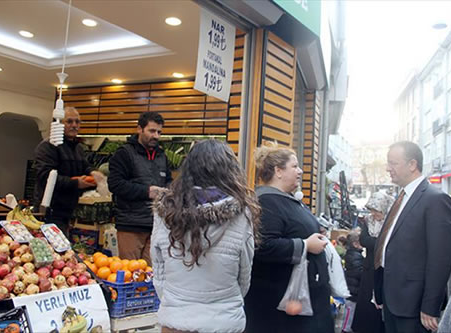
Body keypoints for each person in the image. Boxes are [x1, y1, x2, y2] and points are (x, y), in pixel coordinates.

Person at [150, 139, 261, 333]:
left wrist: (172, 301)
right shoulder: (242, 213)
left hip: (175, 320)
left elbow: (157, 267)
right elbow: (244, 274)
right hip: (224, 321)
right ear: (230, 170)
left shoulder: (165, 211)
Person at [244, 144, 333, 333]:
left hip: (296, 302)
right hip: (279, 304)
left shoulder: (284, 199)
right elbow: (263, 246)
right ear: (278, 171)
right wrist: (305, 245)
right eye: (294, 166)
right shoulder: (267, 201)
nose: (300, 171)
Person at [374, 141, 451, 333]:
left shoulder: (435, 200)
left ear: (412, 164)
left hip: (414, 306)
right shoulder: (402, 197)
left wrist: (430, 306)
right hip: (392, 299)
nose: (388, 168)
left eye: (393, 163)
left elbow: (440, 258)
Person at [108, 111, 171, 264]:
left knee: (151, 275)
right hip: (130, 226)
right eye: (152, 131)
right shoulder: (124, 154)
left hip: (156, 225)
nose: (156, 136)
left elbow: (168, 182)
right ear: (139, 129)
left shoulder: (162, 156)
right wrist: (147, 191)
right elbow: (115, 184)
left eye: (159, 132)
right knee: (131, 274)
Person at [33, 106, 98, 234]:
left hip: (68, 211)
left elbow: (85, 167)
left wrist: (93, 173)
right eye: (69, 121)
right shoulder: (48, 146)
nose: (74, 125)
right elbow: (45, 176)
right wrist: (75, 183)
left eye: (77, 122)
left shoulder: (78, 148)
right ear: (59, 123)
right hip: (49, 211)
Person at [352, 191, 393, 333]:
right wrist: (380, 243)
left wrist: (376, 243)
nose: (374, 214)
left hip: (384, 268)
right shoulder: (368, 221)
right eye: (373, 211)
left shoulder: (391, 222)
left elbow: (391, 244)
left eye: (377, 211)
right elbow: (364, 240)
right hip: (369, 267)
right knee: (366, 303)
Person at [342, 231, 364, 333]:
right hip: (352, 291)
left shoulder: (353, 254)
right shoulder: (355, 256)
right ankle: (345, 329)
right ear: (355, 244)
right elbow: (358, 272)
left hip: (353, 289)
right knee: (349, 314)